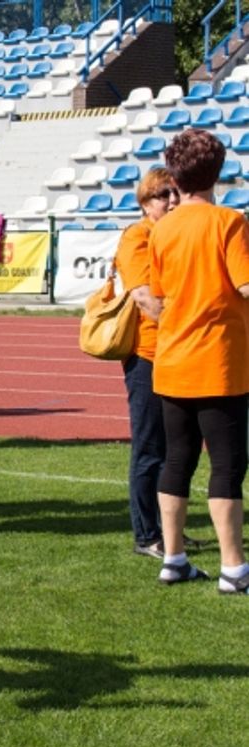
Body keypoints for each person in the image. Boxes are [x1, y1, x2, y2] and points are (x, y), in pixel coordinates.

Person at [147, 128, 249, 592]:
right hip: (219, 360)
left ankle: (173, 556)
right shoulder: (229, 222)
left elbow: (162, 294)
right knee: (227, 464)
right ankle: (234, 567)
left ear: (175, 175)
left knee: (177, 459)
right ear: (217, 172)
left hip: (172, 358)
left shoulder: (161, 228)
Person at [114, 168, 180, 559]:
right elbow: (145, 298)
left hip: (176, 351)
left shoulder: (172, 234)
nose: (171, 201)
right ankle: (146, 534)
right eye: (161, 195)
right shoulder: (137, 237)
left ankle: (170, 530)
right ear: (144, 203)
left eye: (174, 193)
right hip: (148, 354)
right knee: (150, 446)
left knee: (175, 449)